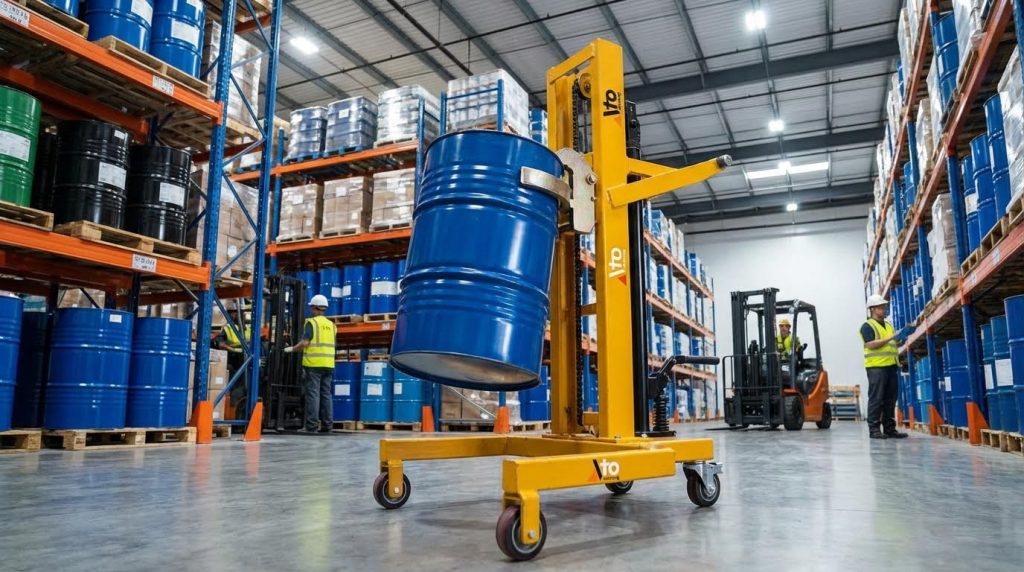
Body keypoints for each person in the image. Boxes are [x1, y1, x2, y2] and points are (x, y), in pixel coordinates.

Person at [861, 294, 912, 440]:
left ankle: (890, 429)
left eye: (884, 306)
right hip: (876, 367)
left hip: (891, 366)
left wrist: (900, 339)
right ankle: (874, 430)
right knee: (876, 399)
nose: (884, 309)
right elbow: (870, 344)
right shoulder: (867, 326)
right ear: (872, 309)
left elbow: (891, 344)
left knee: (890, 399)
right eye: (880, 307)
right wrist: (891, 337)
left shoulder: (888, 325)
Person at [284, 294, 336, 433]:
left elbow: (305, 342)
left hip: (314, 364)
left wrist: (292, 349)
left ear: (315, 307)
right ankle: (327, 425)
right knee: (326, 394)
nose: (311, 310)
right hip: (329, 364)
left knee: (313, 395)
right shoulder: (331, 325)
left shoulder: (311, 323)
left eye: (311, 307)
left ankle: (311, 426)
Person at [214, 307, 251, 419]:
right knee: (233, 383)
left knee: (248, 382)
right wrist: (233, 349)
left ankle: (239, 405)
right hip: (233, 360)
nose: (241, 316)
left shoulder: (248, 328)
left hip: (245, 360)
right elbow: (220, 344)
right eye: (237, 313)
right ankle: (229, 404)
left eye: (242, 313)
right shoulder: (228, 328)